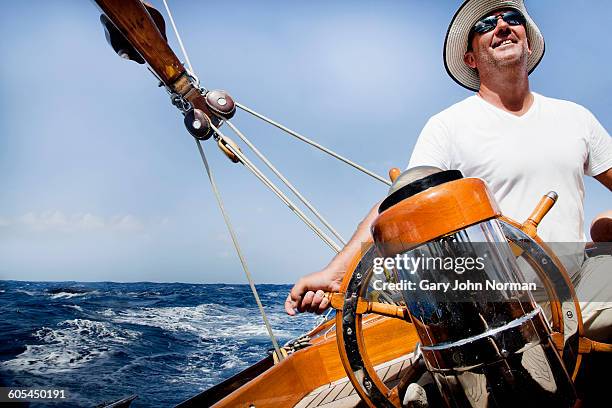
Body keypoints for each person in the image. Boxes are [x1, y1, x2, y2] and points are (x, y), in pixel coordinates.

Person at [284, 0, 612, 336]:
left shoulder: (576, 118)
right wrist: (338, 273)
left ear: (527, 41)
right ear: (471, 59)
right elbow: (400, 203)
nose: (501, 26)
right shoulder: (448, 126)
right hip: (495, 306)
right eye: (485, 25)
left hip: (574, 291)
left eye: (512, 19)